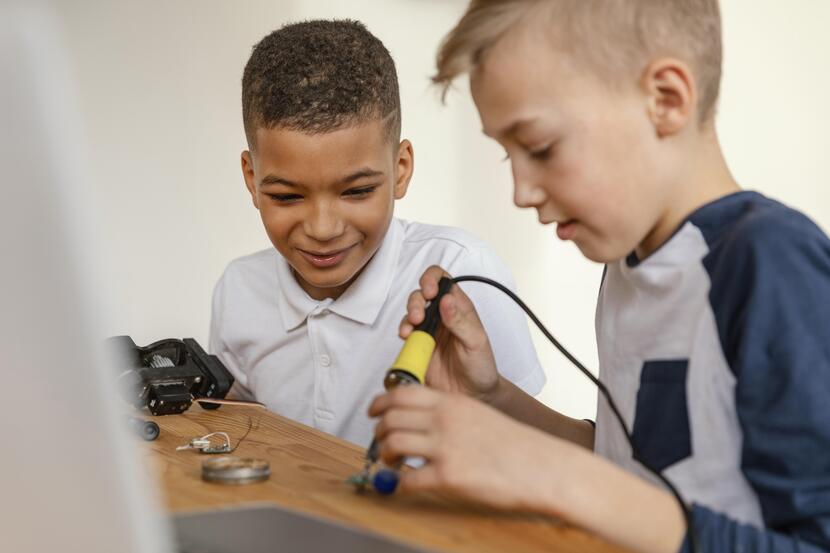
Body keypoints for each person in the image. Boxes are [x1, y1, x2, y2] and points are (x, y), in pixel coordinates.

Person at [369, 1, 830, 551]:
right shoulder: (628, 260)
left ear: (665, 100)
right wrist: (493, 399)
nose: (521, 192)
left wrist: (547, 475)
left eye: (540, 147)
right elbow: (636, 476)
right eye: (507, 156)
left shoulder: (769, 263)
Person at [209, 19, 545, 446]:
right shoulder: (238, 289)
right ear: (251, 178)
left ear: (400, 169)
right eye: (288, 197)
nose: (323, 229)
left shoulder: (462, 273)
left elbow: (528, 446)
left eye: (358, 191)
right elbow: (242, 424)